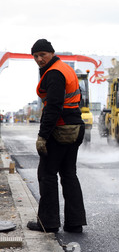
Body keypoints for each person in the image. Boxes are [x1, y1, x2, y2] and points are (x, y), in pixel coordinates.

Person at [27, 39, 87, 233]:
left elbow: (53, 106)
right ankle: (75, 223)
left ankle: (48, 223)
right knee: (69, 174)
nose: (39, 59)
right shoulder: (65, 69)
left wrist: (43, 136)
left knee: (47, 174)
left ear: (51, 53)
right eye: (35, 56)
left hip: (60, 129)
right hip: (76, 127)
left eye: (42, 54)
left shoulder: (54, 74)